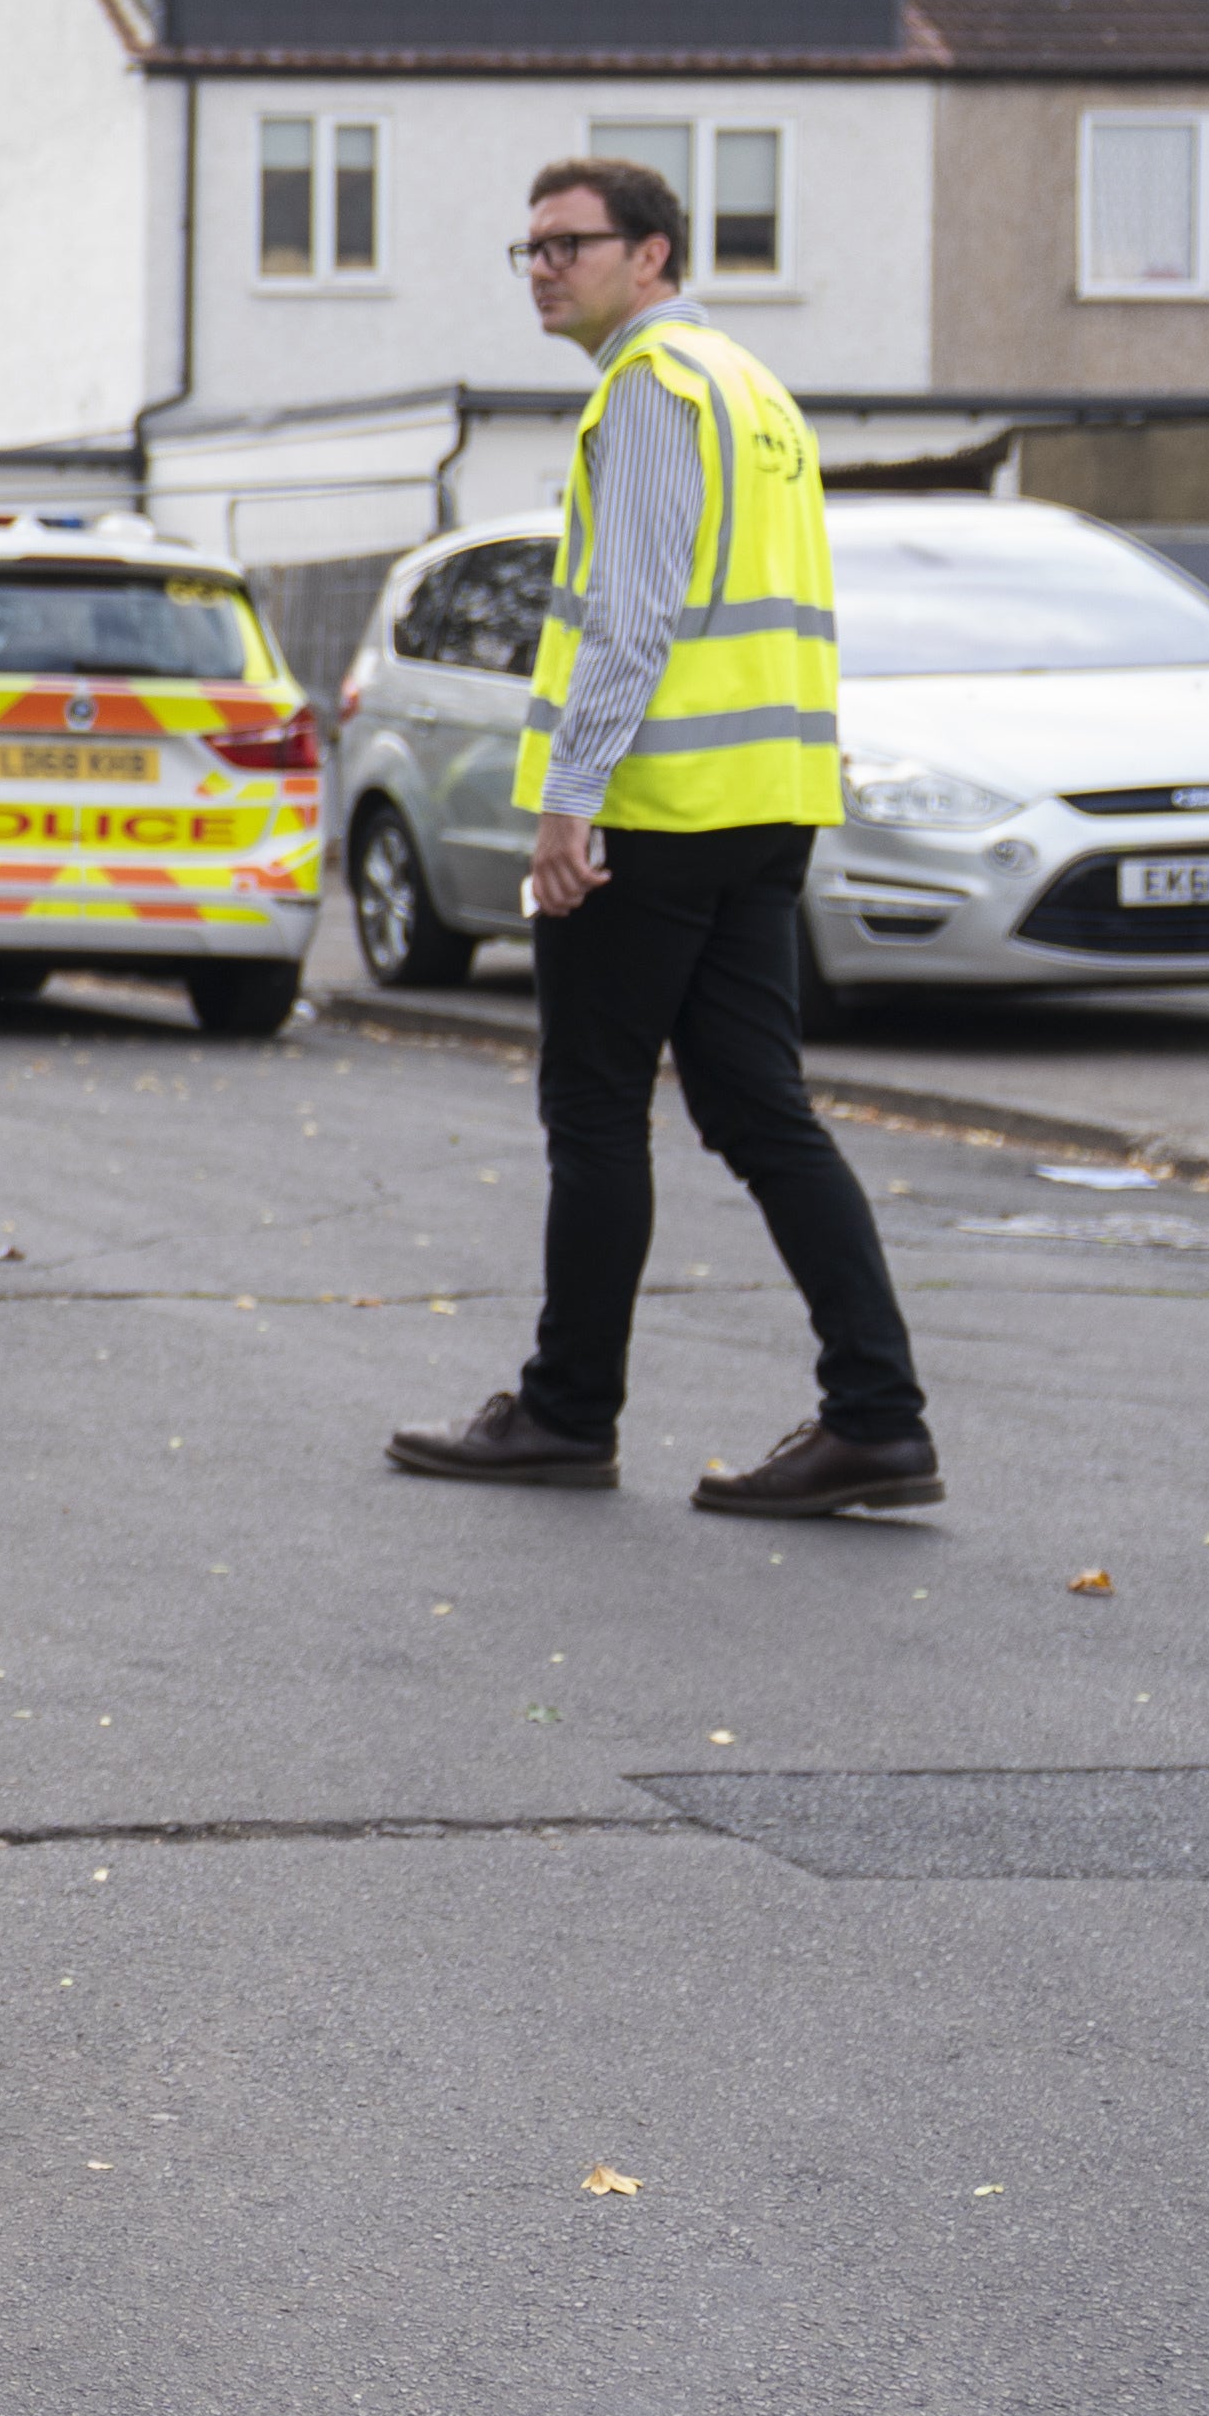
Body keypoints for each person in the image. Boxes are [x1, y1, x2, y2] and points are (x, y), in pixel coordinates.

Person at [390, 159, 937, 1517]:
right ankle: (877, 1416)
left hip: (653, 812)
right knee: (761, 1111)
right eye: (526, 248)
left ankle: (567, 1415)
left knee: (593, 1106)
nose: (543, 267)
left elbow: (632, 620)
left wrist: (569, 804)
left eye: (570, 243)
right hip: (762, 809)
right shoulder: (753, 393)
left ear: (653, 255)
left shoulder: (647, 392)